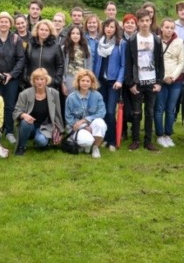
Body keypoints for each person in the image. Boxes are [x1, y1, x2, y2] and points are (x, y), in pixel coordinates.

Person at [123, 11, 164, 152]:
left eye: (147, 20)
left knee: (150, 112)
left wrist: (159, 82)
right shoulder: (133, 40)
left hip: (152, 81)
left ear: (150, 21)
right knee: (136, 112)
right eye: (142, 21)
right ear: (138, 23)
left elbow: (160, 63)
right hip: (137, 82)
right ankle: (135, 140)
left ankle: (148, 141)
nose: (145, 23)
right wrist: (130, 83)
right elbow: (128, 63)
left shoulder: (157, 40)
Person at [0, 12, 25, 144]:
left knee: (9, 105)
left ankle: (9, 130)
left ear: (10, 24)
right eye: (1, 21)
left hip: (11, 78)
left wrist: (12, 74)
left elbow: (21, 59)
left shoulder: (16, 39)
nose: (4, 24)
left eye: (6, 21)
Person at [13, 68, 64, 156]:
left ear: (46, 80)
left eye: (42, 79)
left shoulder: (54, 93)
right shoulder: (24, 94)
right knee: (25, 122)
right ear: (33, 81)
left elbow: (57, 114)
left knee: (41, 142)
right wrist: (23, 115)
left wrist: (61, 132)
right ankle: (21, 147)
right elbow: (16, 112)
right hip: (29, 125)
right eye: (37, 79)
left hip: (45, 126)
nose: (39, 82)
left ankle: (41, 140)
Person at [93, 18, 125, 150]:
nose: (109, 29)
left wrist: (119, 80)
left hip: (113, 83)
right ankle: (105, 137)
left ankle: (112, 141)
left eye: (112, 27)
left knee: (111, 111)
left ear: (116, 29)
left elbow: (123, 65)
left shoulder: (121, 44)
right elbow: (95, 61)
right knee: (103, 111)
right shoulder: (98, 43)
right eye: (107, 26)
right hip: (100, 81)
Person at [156, 18, 184, 148]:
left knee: (171, 109)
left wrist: (173, 77)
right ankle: (159, 134)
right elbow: (153, 62)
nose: (169, 30)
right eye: (166, 27)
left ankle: (168, 134)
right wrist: (162, 77)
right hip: (160, 80)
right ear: (161, 28)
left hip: (175, 80)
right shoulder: (156, 41)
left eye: (171, 27)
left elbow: (181, 61)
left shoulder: (179, 42)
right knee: (159, 108)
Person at [64, 70, 107, 158]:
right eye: (83, 81)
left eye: (88, 81)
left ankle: (95, 147)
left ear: (91, 83)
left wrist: (85, 120)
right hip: (76, 127)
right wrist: (84, 126)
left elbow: (102, 112)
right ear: (78, 82)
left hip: (91, 124)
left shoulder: (97, 96)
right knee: (87, 141)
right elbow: (69, 118)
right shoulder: (71, 98)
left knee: (101, 124)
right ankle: (83, 143)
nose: (85, 83)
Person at [25, 19, 64, 90]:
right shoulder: (30, 45)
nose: (44, 32)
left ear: (50, 32)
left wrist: (55, 81)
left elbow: (60, 66)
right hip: (32, 84)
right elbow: (25, 63)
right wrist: (27, 78)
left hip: (50, 85)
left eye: (46, 30)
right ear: (37, 30)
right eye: (42, 29)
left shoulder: (56, 46)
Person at [61, 25, 91, 99]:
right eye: (73, 33)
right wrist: (63, 83)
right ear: (69, 35)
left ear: (81, 35)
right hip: (69, 79)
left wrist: (88, 81)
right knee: (70, 101)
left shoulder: (86, 48)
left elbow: (89, 66)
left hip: (82, 79)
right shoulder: (64, 48)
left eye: (78, 34)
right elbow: (61, 66)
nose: (75, 36)